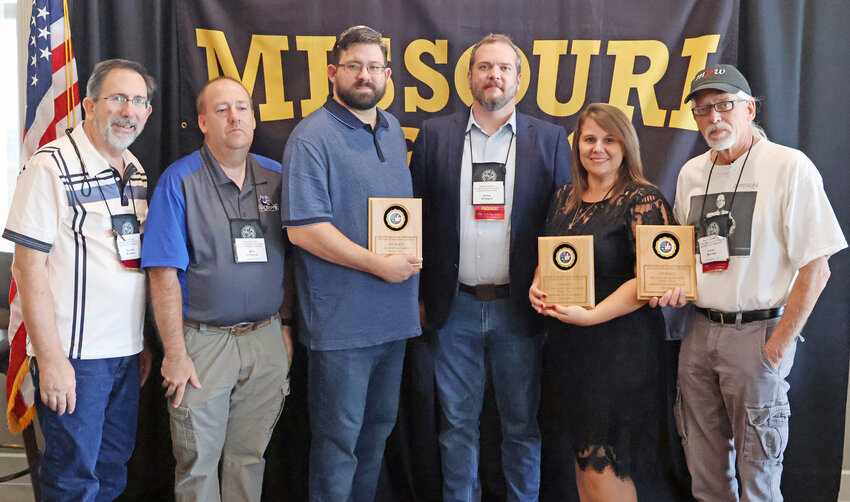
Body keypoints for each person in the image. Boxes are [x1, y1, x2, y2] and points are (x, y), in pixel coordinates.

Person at [653, 64, 847, 501]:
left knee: (759, 477)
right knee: (704, 473)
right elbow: (683, 255)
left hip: (759, 334)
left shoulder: (788, 166)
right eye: (703, 109)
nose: (714, 117)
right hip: (699, 333)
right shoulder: (690, 174)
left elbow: (818, 266)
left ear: (750, 108)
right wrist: (671, 284)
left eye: (725, 105)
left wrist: (778, 345)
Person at [411, 33, 570, 501]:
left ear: (520, 79)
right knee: (456, 426)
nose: (494, 75)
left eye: (504, 68)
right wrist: (418, 295)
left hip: (519, 308)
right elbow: (414, 218)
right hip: (452, 307)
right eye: (484, 67)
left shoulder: (550, 139)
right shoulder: (435, 135)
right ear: (468, 76)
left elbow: (562, 224)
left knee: (521, 425)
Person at [2, 58, 155, 500]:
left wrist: (139, 339)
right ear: (89, 105)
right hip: (74, 359)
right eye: (118, 98)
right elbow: (26, 267)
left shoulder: (136, 170)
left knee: (111, 470)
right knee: (72, 479)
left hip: (124, 354)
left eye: (139, 101)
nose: (129, 110)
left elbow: (124, 264)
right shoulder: (49, 166)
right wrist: (50, 360)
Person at [280, 25, 421, 501]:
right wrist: (378, 266)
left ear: (387, 74)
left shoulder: (394, 129)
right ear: (332, 72)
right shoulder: (310, 138)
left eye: (375, 67)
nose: (366, 76)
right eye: (354, 66)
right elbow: (304, 229)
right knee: (338, 445)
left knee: (376, 434)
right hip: (341, 327)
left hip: (393, 321)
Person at [141, 76, 293, 502]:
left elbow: (294, 259)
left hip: (265, 339)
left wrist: (285, 325)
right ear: (203, 122)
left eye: (242, 107)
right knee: (197, 465)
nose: (234, 117)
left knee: (250, 458)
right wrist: (174, 352)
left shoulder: (278, 177)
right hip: (202, 346)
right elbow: (162, 274)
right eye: (222, 109)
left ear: (254, 117)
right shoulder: (179, 181)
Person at [528, 103, 675, 502]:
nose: (598, 148)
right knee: (582, 466)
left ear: (626, 145)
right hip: (570, 351)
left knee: (604, 467)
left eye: (609, 139)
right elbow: (551, 257)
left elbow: (650, 279)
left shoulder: (643, 199)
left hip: (620, 352)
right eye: (589, 139)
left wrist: (592, 316)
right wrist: (537, 287)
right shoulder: (564, 197)